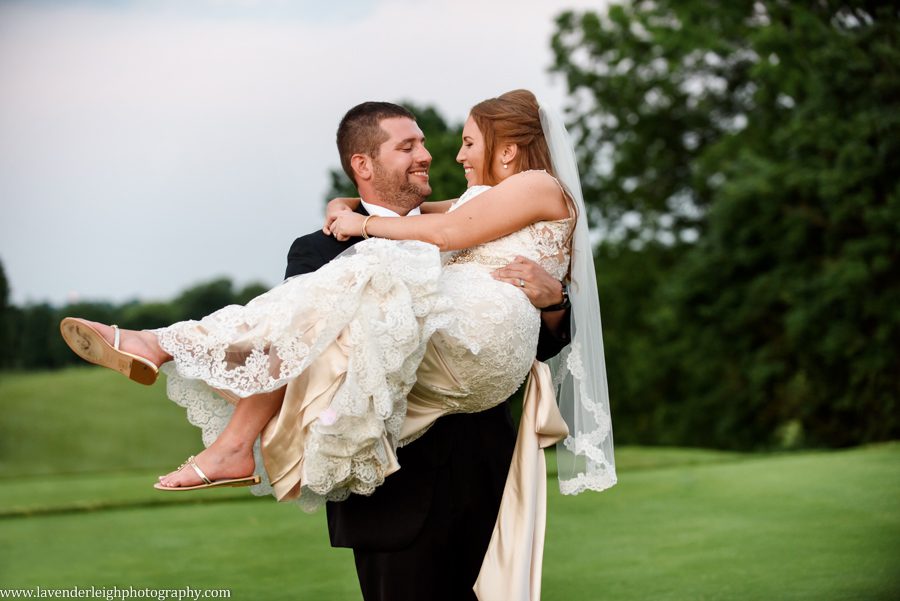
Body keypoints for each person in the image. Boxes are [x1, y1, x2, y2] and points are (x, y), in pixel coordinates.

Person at [60, 90, 615, 601]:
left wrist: (555, 301)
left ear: (508, 150)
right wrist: (346, 211)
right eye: (409, 146)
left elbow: (455, 241)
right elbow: (304, 340)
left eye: (464, 142)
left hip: (479, 463)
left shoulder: (513, 197)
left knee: (372, 272)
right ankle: (186, 379)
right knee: (346, 292)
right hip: (394, 491)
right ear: (363, 164)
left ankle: (171, 359)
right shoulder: (323, 246)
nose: (441, 155)